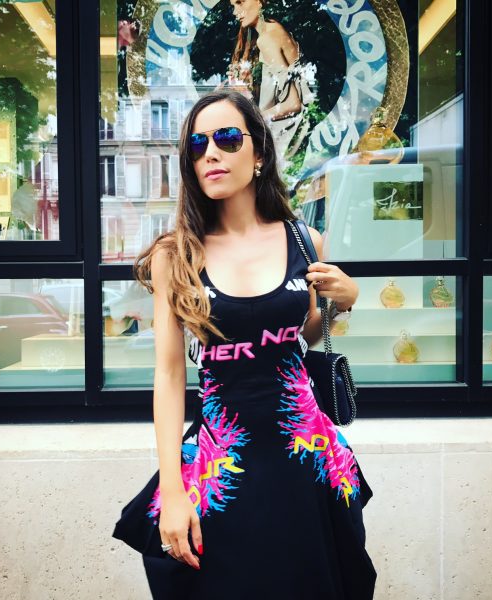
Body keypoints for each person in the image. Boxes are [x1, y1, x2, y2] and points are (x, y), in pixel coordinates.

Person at [112, 89, 377, 599]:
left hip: (305, 458)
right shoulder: (177, 256)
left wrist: (344, 301)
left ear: (258, 153)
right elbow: (169, 375)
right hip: (223, 465)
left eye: (228, 139)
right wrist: (172, 488)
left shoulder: (304, 241)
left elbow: (300, 338)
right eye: (197, 145)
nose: (210, 153)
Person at [227, 0, 315, 161]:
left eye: (240, 2)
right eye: (233, 6)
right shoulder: (274, 28)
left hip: (291, 138)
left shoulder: (266, 39)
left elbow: (292, 104)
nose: (235, 12)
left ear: (259, 2)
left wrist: (250, 119)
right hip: (301, 132)